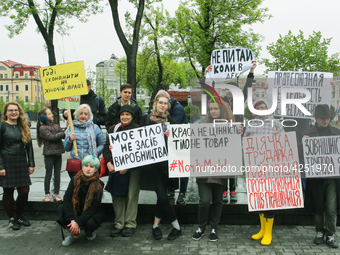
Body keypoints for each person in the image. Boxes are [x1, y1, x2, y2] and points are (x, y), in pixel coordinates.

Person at [206, 61, 257, 203]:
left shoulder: (240, 100)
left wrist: (251, 71)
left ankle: (232, 190)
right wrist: (208, 74)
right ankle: (223, 190)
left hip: (236, 135)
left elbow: (248, 86)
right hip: (223, 135)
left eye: (232, 89)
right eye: (228, 89)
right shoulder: (221, 101)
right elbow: (210, 91)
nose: (229, 91)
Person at [140, 91, 182, 241]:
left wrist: (173, 135)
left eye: (165, 103)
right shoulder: (146, 120)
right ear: (155, 103)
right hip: (152, 167)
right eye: (160, 102)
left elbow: (179, 142)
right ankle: (176, 226)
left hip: (167, 166)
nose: (163, 105)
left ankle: (155, 226)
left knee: (162, 196)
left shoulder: (172, 121)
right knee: (163, 196)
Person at [243, 100, 284, 246]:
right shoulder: (251, 124)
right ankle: (262, 230)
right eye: (258, 108)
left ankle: (268, 233)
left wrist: (279, 138)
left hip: (271, 168)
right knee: (260, 200)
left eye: (263, 107)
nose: (261, 110)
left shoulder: (276, 124)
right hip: (256, 168)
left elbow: (285, 145)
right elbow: (245, 143)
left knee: (270, 201)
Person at [192, 97, 233, 242]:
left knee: (217, 200)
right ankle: (202, 227)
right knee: (204, 200)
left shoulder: (230, 125)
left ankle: (214, 227)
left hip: (221, 170)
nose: (213, 111)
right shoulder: (202, 125)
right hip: (203, 170)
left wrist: (238, 133)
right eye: (211, 109)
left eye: (216, 108)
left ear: (222, 109)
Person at [303, 104, 340, 248]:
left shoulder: (337, 133)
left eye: (328, 118)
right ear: (316, 118)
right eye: (323, 118)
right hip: (316, 177)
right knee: (318, 206)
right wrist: (303, 143)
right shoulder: (309, 133)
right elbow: (302, 155)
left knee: (331, 207)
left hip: (333, 177)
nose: (325, 121)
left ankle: (330, 234)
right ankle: (319, 232)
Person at [103, 105, 141, 238]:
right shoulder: (113, 129)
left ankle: (130, 223)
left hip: (133, 170)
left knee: (131, 196)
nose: (124, 117)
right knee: (117, 196)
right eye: (122, 114)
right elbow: (106, 146)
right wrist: (108, 162)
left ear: (132, 116)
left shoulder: (137, 129)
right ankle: (118, 223)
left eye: (128, 114)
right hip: (116, 167)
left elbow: (140, 150)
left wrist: (128, 166)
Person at [0, 102, 35, 230]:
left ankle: (19, 216)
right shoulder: (2, 126)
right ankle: (11, 219)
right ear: (6, 113)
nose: (13, 112)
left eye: (16, 110)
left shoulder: (24, 126)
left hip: (21, 162)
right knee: (8, 191)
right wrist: (1, 166)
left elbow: (29, 148)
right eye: (10, 110)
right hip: (7, 162)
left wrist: (31, 164)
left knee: (24, 191)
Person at [57, 155, 105, 246]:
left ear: (96, 169)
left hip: (89, 212)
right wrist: (72, 220)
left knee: (91, 221)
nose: (88, 169)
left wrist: (77, 221)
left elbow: (94, 207)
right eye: (86, 166)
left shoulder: (99, 185)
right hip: (76, 209)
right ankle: (72, 232)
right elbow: (67, 199)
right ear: (82, 167)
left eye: (91, 167)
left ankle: (90, 230)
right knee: (61, 208)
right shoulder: (75, 179)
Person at [64, 104, 105, 179]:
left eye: (85, 114)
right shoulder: (71, 127)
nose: (83, 116)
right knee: (76, 187)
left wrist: (94, 153)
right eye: (81, 113)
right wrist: (70, 140)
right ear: (77, 114)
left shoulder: (95, 128)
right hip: (76, 164)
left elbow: (102, 144)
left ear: (89, 115)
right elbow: (66, 148)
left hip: (90, 165)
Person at [37, 107, 65, 202]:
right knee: (48, 174)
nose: (51, 115)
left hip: (58, 153)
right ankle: (47, 193)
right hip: (49, 154)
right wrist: (61, 133)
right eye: (49, 114)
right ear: (43, 117)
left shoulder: (56, 125)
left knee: (57, 174)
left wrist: (62, 133)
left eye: (51, 113)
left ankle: (56, 192)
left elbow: (63, 134)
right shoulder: (42, 128)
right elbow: (52, 137)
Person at [166, 95, 189, 205]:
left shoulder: (178, 109)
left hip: (181, 141)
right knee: (174, 166)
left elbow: (174, 125)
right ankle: (173, 190)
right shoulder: (174, 107)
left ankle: (181, 192)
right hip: (173, 141)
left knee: (182, 167)